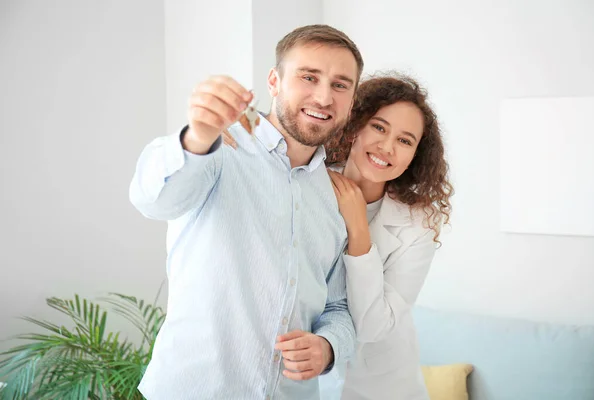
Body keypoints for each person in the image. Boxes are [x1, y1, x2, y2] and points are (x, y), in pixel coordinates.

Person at [128, 25, 364, 399]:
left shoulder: (336, 194)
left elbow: (337, 305)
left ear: (351, 100)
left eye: (340, 85)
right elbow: (152, 200)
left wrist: (328, 346)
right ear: (274, 81)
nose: (323, 97)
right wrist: (198, 137)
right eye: (309, 77)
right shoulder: (220, 148)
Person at [224, 72, 453, 399]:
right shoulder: (309, 181)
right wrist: (228, 129)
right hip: (303, 378)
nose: (387, 147)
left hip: (384, 386)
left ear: (415, 155)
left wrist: (359, 226)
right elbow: (268, 143)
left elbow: (373, 326)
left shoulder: (418, 224)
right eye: (379, 127)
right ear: (355, 125)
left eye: (405, 141)